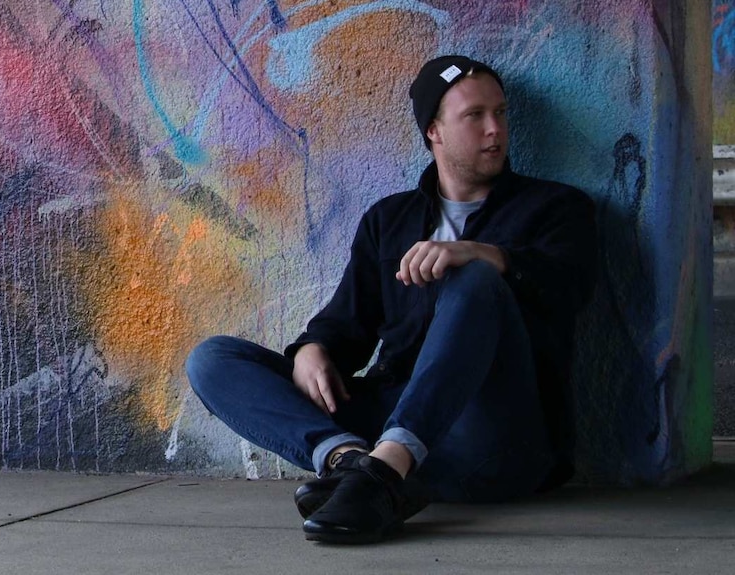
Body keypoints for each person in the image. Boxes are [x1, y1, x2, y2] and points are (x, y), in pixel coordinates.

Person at [186, 55, 597, 544]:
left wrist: (483, 254)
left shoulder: (557, 207)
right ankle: (352, 464)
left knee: (476, 279)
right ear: (434, 131)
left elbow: (569, 288)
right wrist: (312, 350)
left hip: (490, 440)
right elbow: (347, 326)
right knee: (213, 359)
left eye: (501, 113)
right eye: (475, 116)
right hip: (390, 427)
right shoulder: (389, 221)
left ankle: (383, 471)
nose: (495, 129)